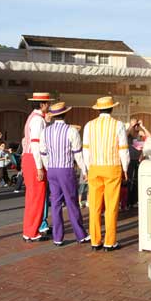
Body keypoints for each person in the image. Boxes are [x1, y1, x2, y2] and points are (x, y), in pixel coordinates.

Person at [39, 102, 90, 246]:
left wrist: (49, 166)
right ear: (65, 114)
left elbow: (43, 152)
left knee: (55, 204)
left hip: (52, 169)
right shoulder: (71, 131)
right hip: (66, 169)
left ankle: (58, 237)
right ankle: (80, 235)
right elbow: (77, 154)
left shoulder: (45, 132)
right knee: (71, 202)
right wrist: (84, 169)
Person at [83, 96, 130, 252]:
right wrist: (125, 168)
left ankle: (95, 241)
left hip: (94, 168)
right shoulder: (118, 125)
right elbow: (123, 149)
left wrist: (86, 169)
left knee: (94, 206)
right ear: (112, 108)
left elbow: (86, 150)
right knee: (111, 206)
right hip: (112, 168)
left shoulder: (89, 125)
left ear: (98, 109)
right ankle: (110, 241)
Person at [22, 92, 53, 242]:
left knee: (32, 196)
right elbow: (36, 144)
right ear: (42, 105)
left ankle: (29, 229)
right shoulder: (38, 120)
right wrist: (40, 167)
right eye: (47, 103)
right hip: (34, 159)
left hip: (28, 158)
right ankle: (32, 231)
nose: (49, 106)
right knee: (37, 196)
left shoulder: (32, 118)